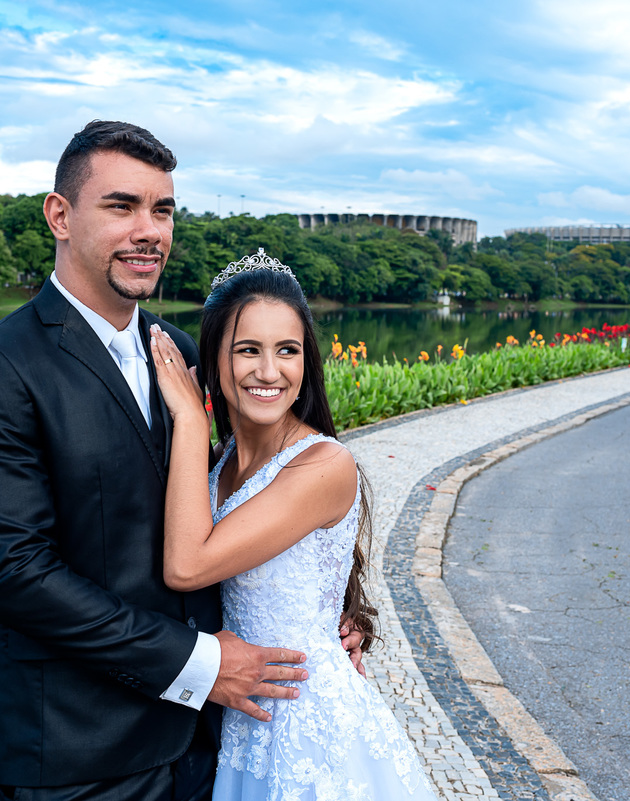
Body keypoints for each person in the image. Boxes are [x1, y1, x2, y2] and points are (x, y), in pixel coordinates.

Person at [0, 122, 363, 801]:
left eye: (162, 210)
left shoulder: (182, 352)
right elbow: (14, 572)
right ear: (59, 216)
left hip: (210, 736)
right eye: (121, 206)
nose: (149, 231)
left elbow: (242, 500)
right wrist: (200, 662)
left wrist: (326, 621)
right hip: (80, 749)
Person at [147, 251, 439, 800]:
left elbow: (186, 566)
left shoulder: (324, 465)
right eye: (247, 350)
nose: (269, 371)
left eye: (288, 350)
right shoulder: (219, 464)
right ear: (213, 360)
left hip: (307, 723)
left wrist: (189, 417)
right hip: (239, 718)